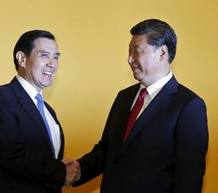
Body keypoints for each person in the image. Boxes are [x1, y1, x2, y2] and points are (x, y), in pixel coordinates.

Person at [67, 19, 209, 192]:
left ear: (162, 53)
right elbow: (108, 150)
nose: (129, 59)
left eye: (137, 51)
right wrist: (77, 169)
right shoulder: (123, 97)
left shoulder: (188, 105)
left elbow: (189, 179)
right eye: (129, 51)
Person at [0, 30, 80, 193]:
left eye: (56, 57)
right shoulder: (1, 97)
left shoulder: (49, 112)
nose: (52, 63)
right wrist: (61, 171)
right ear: (22, 59)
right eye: (44, 55)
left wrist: (64, 168)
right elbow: (11, 154)